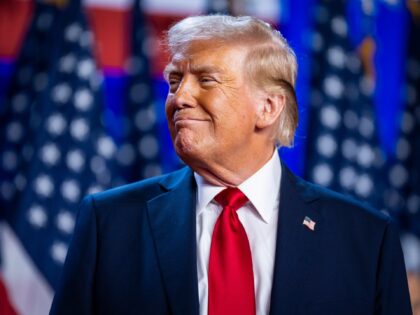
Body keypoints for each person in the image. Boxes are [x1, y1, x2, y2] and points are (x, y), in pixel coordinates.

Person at [50, 15, 412, 315]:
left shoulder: (366, 239)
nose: (179, 98)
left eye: (205, 80)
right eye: (175, 81)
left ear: (268, 107)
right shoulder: (108, 223)